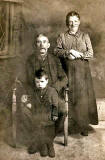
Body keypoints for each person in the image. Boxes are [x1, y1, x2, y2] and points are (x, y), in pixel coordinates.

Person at [54, 11, 98, 136]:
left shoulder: (85, 36)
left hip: (83, 72)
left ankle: (83, 125)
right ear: (67, 22)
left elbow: (90, 53)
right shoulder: (62, 36)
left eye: (75, 21)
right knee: (69, 96)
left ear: (79, 22)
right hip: (67, 71)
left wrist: (79, 55)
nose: (73, 24)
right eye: (70, 21)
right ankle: (68, 125)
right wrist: (69, 52)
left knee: (82, 97)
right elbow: (56, 51)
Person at [26, 34, 68, 133]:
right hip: (35, 95)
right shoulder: (30, 60)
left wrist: (54, 89)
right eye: (39, 42)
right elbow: (26, 81)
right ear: (35, 45)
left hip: (53, 95)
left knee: (63, 110)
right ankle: (37, 137)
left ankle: (50, 138)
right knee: (25, 111)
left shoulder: (55, 59)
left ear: (48, 45)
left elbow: (64, 79)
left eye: (44, 42)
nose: (42, 45)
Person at [21, 69, 58, 157]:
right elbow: (32, 104)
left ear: (47, 81)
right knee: (37, 128)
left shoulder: (52, 91)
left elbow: (55, 104)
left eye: (42, 81)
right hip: (38, 115)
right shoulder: (34, 92)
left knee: (49, 131)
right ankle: (41, 144)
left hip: (48, 116)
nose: (39, 84)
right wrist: (26, 103)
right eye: (37, 82)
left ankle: (50, 145)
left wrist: (54, 114)